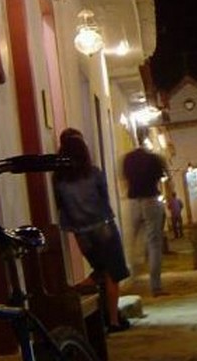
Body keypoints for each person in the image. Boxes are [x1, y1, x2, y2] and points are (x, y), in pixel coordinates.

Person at [53, 128, 131, 332]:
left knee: (100, 270)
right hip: (103, 227)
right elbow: (104, 199)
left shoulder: (59, 179)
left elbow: (61, 207)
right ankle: (113, 321)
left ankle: (103, 310)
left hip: (81, 234)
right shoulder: (94, 173)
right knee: (112, 274)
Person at [122, 142, 167, 297]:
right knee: (154, 242)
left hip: (133, 201)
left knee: (131, 241)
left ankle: (130, 279)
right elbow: (162, 177)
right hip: (151, 200)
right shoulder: (155, 158)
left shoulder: (127, 158)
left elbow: (124, 179)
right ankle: (156, 286)